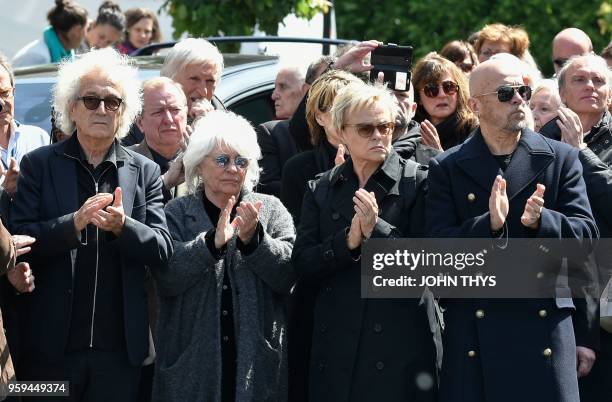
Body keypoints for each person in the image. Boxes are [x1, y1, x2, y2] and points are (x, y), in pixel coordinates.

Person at [426, 54, 598, 402]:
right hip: (474, 337)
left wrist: (542, 222)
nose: (520, 99)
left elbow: (587, 244)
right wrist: (487, 225)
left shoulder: (561, 159)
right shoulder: (447, 167)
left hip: (544, 333)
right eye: (506, 93)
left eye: (523, 90)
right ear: (475, 105)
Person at [10, 48, 172, 402]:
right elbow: (17, 240)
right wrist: (74, 223)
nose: (102, 109)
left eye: (112, 102)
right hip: (49, 351)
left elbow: (162, 248)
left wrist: (123, 226)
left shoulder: (145, 172)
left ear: (124, 112)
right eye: (91, 100)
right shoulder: (39, 165)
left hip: (118, 355)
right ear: (71, 108)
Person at [292, 82, 440, 402]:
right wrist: (348, 242)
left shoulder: (419, 181)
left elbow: (431, 267)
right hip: (337, 349)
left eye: (385, 126)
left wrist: (378, 230)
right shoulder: (322, 188)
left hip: (400, 348)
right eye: (366, 128)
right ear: (342, 132)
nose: (378, 135)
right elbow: (303, 262)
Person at [153, 110, 295, 402]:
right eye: (222, 160)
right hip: (191, 363)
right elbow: (166, 278)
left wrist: (255, 241)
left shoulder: (270, 209)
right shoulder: (176, 213)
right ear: (199, 166)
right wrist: (208, 244)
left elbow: (288, 275)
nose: (233, 168)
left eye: (241, 161)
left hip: (255, 362)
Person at [538, 54, 612, 402]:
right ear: (562, 92)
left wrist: (580, 153)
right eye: (580, 79)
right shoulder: (536, 142)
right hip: (555, 296)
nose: (590, 87)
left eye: (598, 80)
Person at [121, 38, 224, 147]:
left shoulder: (223, 121)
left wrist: (209, 127)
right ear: (170, 80)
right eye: (194, 79)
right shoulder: (131, 122)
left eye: (210, 81)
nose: (203, 91)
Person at [133, 77, 189, 204]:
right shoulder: (124, 163)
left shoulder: (204, 163)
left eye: (175, 110)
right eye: (158, 112)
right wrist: (164, 183)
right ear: (140, 123)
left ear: (186, 114)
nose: (169, 120)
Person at [0, 54, 49, 199]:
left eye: (4, 93)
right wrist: (4, 191)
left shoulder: (38, 138)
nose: (1, 103)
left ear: (14, 92)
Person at [412, 52, 478, 151]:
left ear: (458, 91)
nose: (442, 95)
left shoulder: (474, 129)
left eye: (449, 87)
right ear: (419, 98)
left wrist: (437, 153)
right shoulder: (411, 132)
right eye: (431, 89)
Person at [12, 0, 88, 67]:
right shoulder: (38, 57)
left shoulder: (68, 57)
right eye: (85, 29)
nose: (85, 35)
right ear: (76, 30)